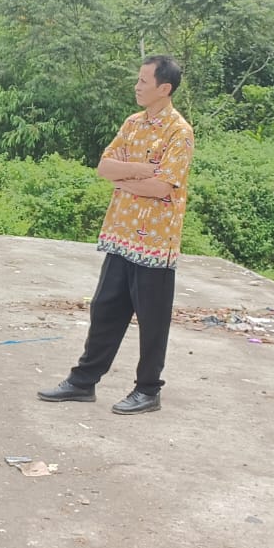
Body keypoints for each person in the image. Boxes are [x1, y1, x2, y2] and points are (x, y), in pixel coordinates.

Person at [37, 55, 193, 415]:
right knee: (105, 308)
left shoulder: (179, 132)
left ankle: (148, 389)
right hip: (122, 235)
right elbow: (104, 166)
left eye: (143, 81)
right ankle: (83, 381)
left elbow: (162, 186)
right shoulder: (133, 123)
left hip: (155, 241)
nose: (137, 87)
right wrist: (137, 170)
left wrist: (128, 181)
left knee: (152, 319)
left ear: (164, 89)